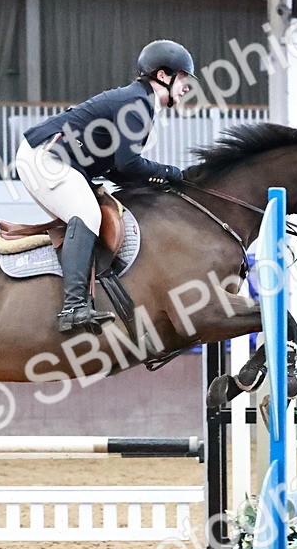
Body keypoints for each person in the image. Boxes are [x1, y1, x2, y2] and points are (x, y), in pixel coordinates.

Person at [18, 40, 194, 333]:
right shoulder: (137, 105)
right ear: (163, 75)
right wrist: (171, 173)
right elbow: (128, 165)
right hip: (46, 156)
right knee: (88, 213)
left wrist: (163, 183)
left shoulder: (141, 104)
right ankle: (74, 306)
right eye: (184, 78)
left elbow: (118, 170)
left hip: (63, 160)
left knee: (98, 209)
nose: (187, 87)